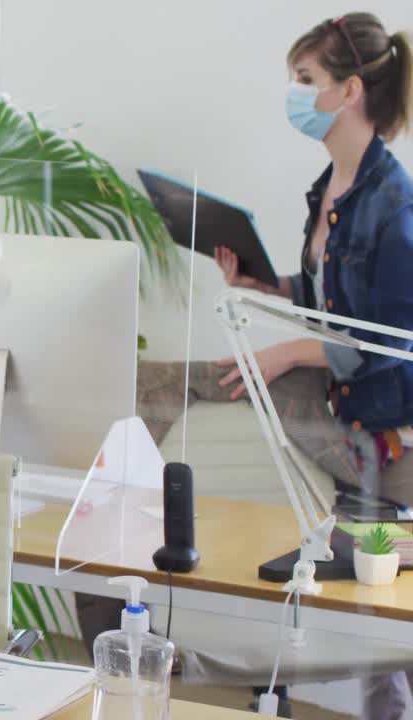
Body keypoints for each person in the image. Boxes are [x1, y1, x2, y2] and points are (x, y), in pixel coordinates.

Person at [213, 12, 413, 719]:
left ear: (349, 90)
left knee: (387, 607)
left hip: (390, 431)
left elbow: (389, 341)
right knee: (371, 606)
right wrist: (267, 290)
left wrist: (291, 350)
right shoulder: (330, 188)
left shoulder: (395, 204)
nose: (294, 95)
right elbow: (334, 299)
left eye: (306, 81)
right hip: (348, 416)